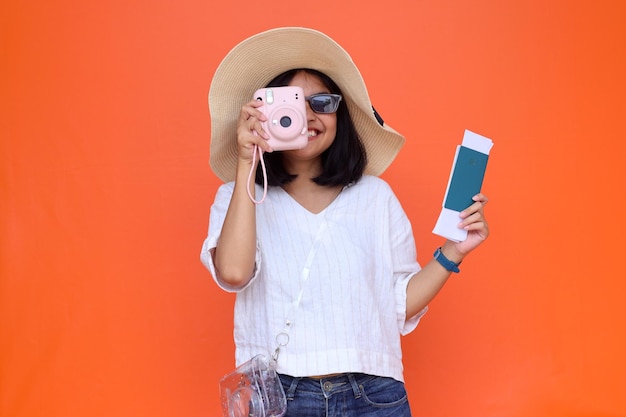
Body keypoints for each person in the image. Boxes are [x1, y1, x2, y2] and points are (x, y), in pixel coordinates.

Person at [200, 27, 490, 417]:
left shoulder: (375, 197)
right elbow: (234, 273)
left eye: (322, 102)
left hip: (373, 394)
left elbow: (396, 306)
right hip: (281, 397)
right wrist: (245, 162)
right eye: (288, 103)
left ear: (341, 116)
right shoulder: (240, 198)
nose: (305, 115)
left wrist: (455, 251)